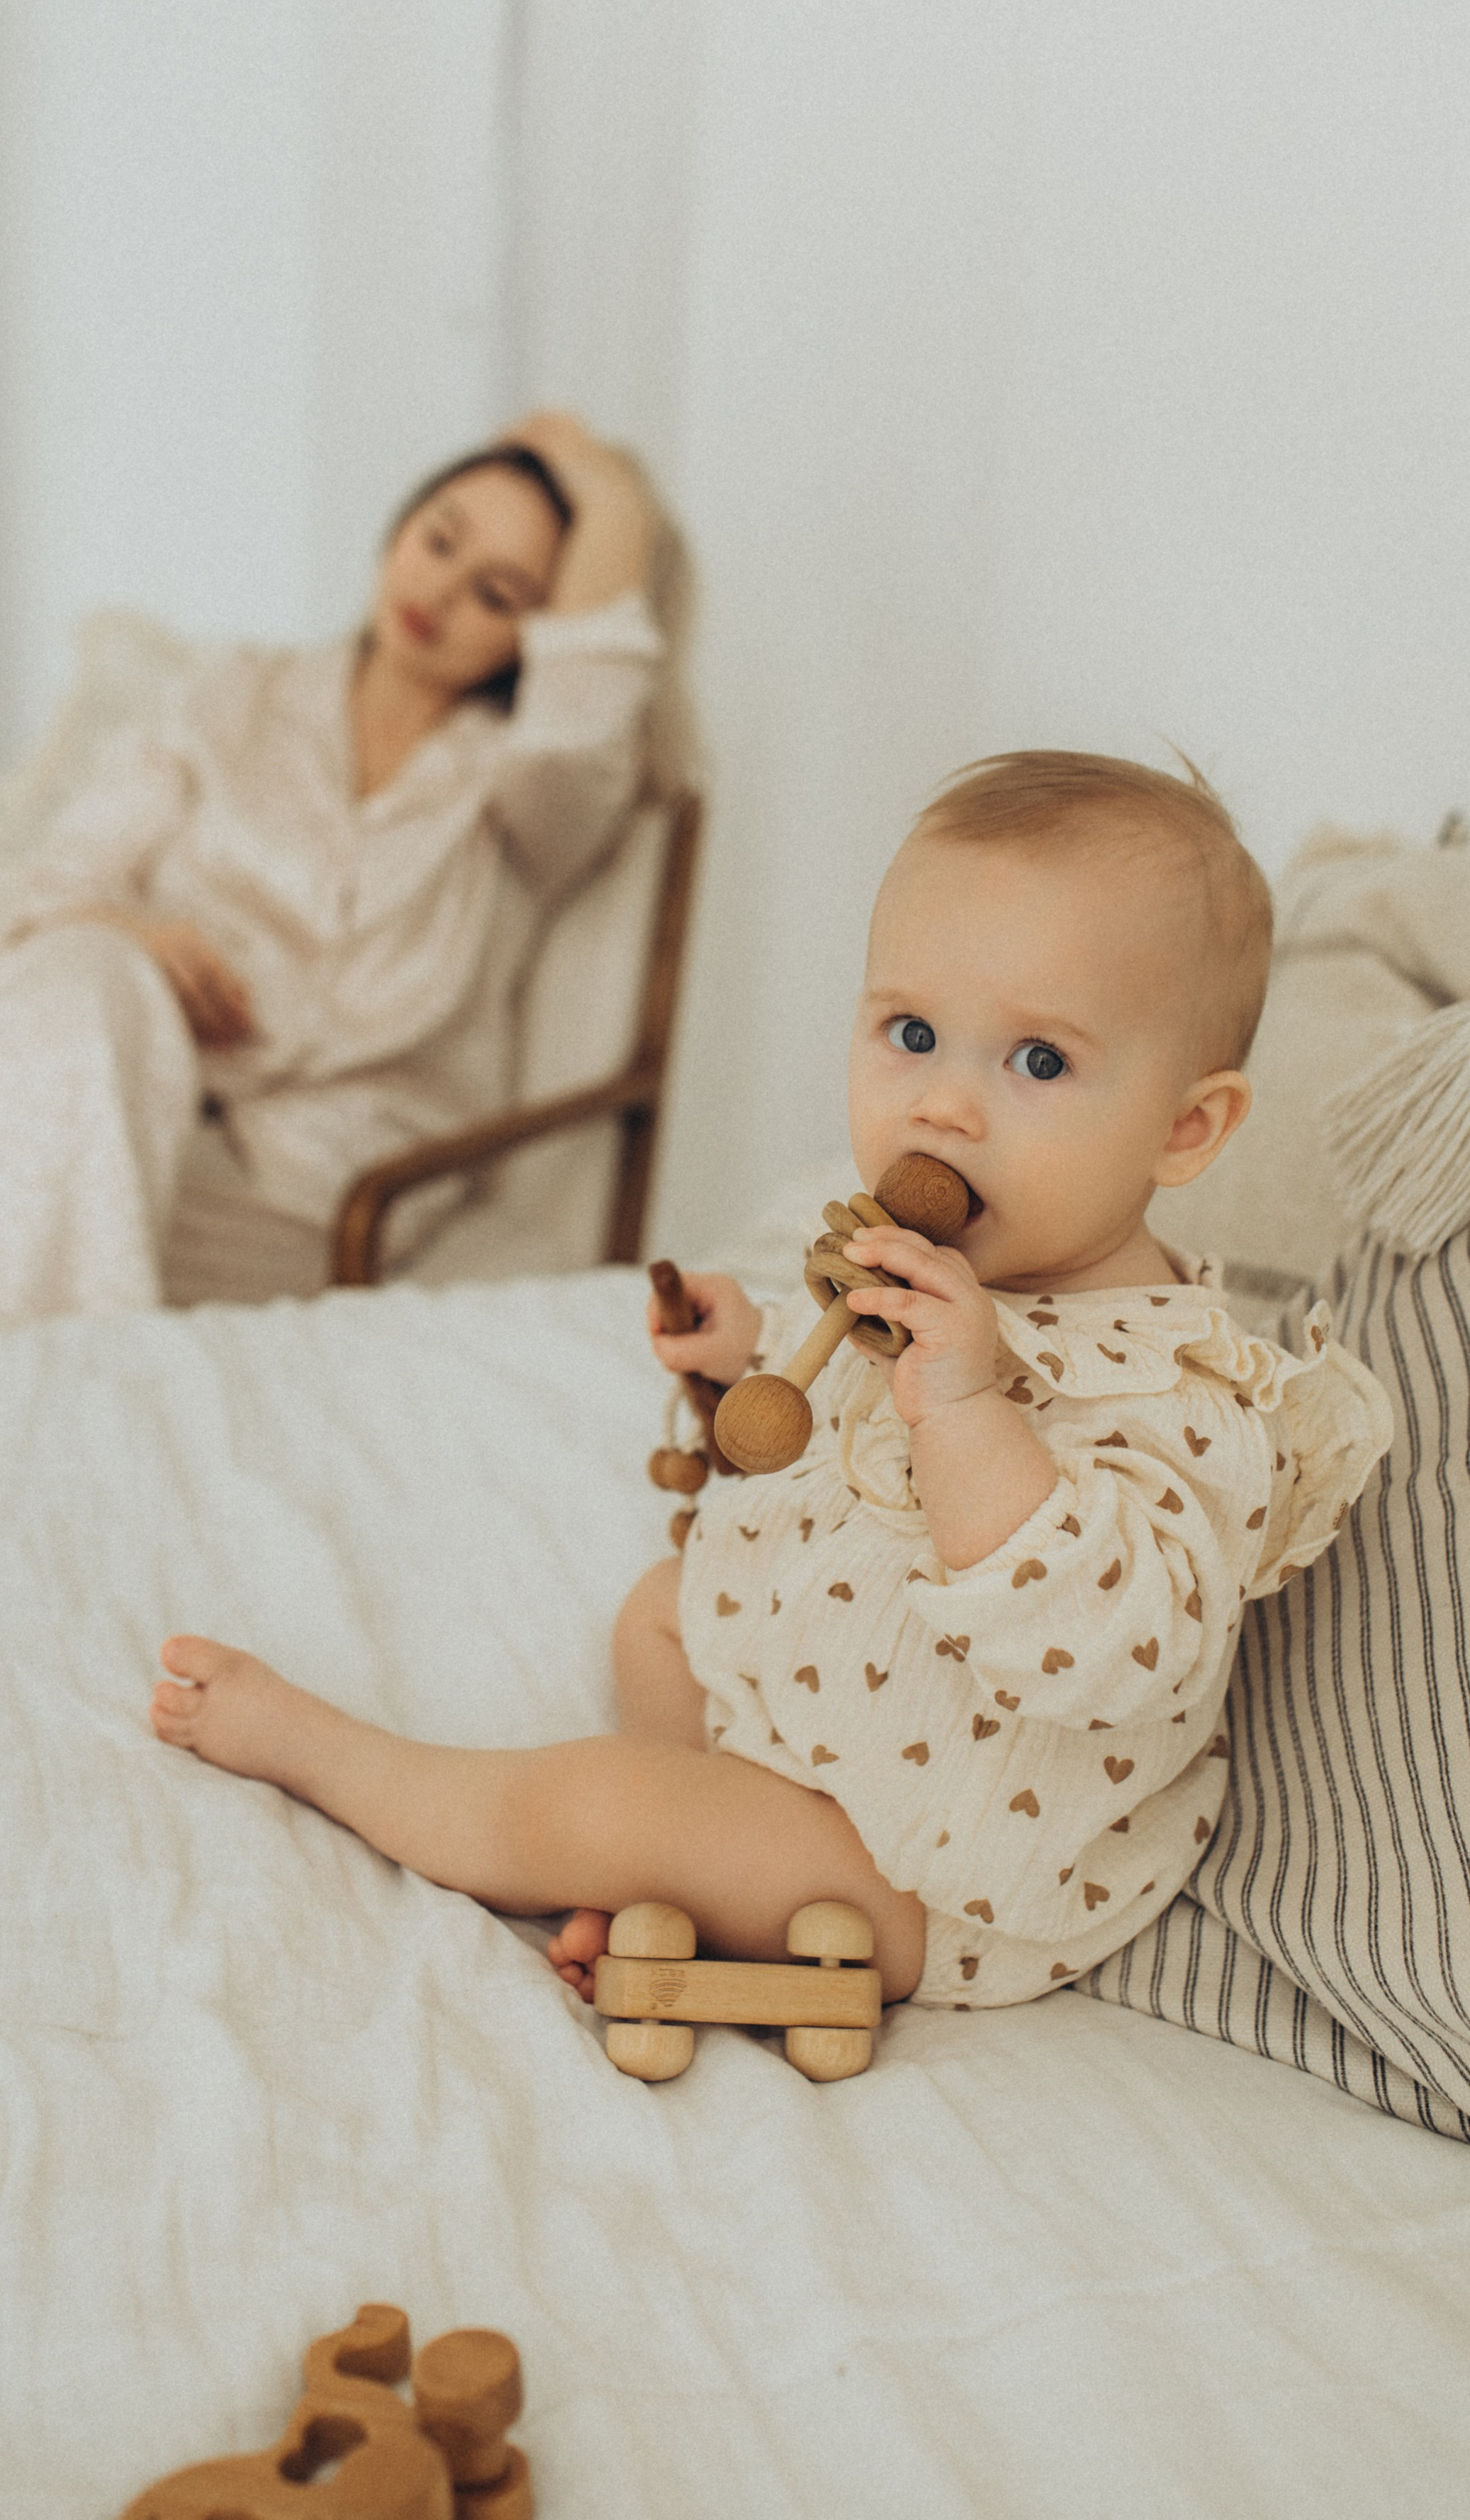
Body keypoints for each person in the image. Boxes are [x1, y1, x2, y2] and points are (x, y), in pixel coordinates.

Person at [148, 751, 1392, 2015]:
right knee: (657, 1608)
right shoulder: (935, 1266)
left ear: (1186, 1130)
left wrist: (966, 1414)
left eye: (1039, 1063)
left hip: (932, 1863)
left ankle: (348, 1763)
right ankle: (677, 1873)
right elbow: (838, 1454)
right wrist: (740, 1364)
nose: (946, 1108)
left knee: (605, 1798)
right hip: (824, 1709)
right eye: (912, 1036)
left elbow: (1110, 1653)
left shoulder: (1184, 1393)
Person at [0, 411, 669, 1327]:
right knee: (77, 978)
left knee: (17, 1215)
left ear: (535, 636)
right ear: (400, 527)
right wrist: (138, 942)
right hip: (93, 1073)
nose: (442, 592)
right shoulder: (226, 695)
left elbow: (584, 719)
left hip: (311, 1185)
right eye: (439, 539)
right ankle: (36, 1403)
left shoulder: (532, 798)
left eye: (496, 594)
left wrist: (609, 493)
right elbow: (57, 886)